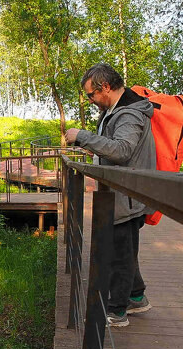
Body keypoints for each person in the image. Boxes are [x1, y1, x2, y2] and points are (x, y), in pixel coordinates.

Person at [62, 63, 156, 327]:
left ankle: (117, 312)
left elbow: (122, 150)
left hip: (127, 197)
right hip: (123, 195)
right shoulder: (113, 111)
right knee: (126, 250)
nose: (90, 100)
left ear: (104, 87)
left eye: (91, 94)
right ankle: (136, 297)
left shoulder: (128, 114)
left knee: (120, 254)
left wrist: (82, 136)